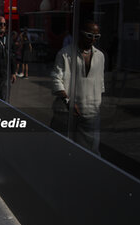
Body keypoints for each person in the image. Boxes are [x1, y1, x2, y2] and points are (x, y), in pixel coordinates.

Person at [51, 20, 104, 155]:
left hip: (91, 112)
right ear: (80, 34)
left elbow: (100, 82)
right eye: (89, 35)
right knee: (61, 148)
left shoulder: (100, 56)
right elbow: (56, 79)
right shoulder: (64, 54)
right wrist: (68, 101)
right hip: (66, 112)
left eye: (96, 37)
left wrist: (97, 104)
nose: (93, 39)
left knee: (90, 151)